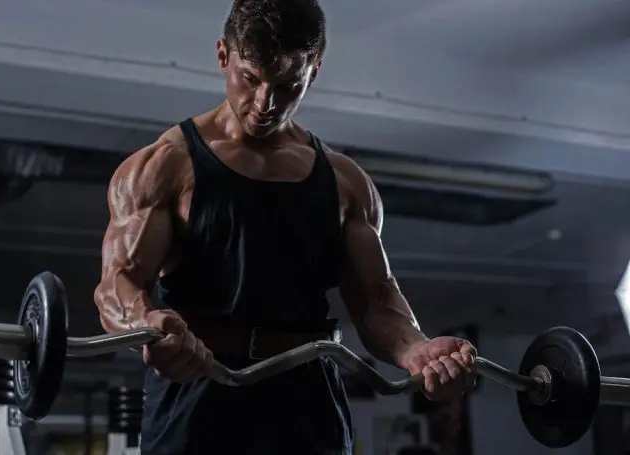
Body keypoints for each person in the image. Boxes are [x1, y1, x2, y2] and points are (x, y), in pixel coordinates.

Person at [94, 0, 477, 454]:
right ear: (223, 56)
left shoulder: (346, 184)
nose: (263, 104)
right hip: (199, 385)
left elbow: (376, 299)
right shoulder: (165, 166)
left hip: (308, 393)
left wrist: (417, 351)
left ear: (313, 71)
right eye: (250, 79)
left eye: (286, 85)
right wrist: (148, 324)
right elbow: (118, 284)